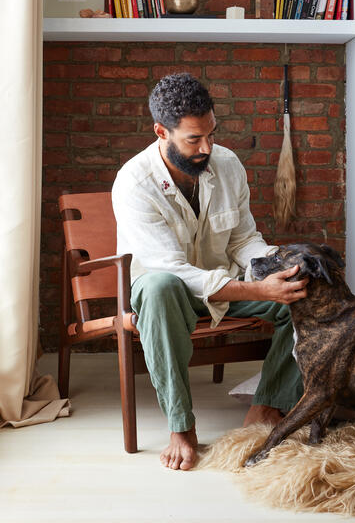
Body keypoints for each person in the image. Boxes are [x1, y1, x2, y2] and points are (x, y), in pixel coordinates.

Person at [112, 72, 308, 471]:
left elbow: (241, 240)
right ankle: (181, 428)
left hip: (228, 288)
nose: (207, 147)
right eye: (193, 140)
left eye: (211, 134)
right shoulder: (134, 182)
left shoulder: (228, 164)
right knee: (159, 286)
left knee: (305, 291)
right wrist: (257, 292)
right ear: (160, 132)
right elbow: (173, 271)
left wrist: (276, 265)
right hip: (169, 299)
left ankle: (268, 407)